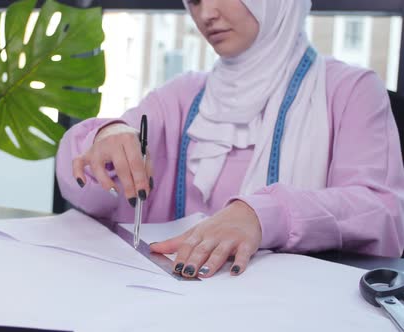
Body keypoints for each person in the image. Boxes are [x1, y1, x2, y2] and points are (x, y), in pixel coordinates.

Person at [55, 0, 404, 279]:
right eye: (193, 1)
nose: (206, 14)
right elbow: (89, 190)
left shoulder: (350, 91)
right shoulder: (181, 97)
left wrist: (263, 215)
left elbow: (383, 214)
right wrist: (107, 136)